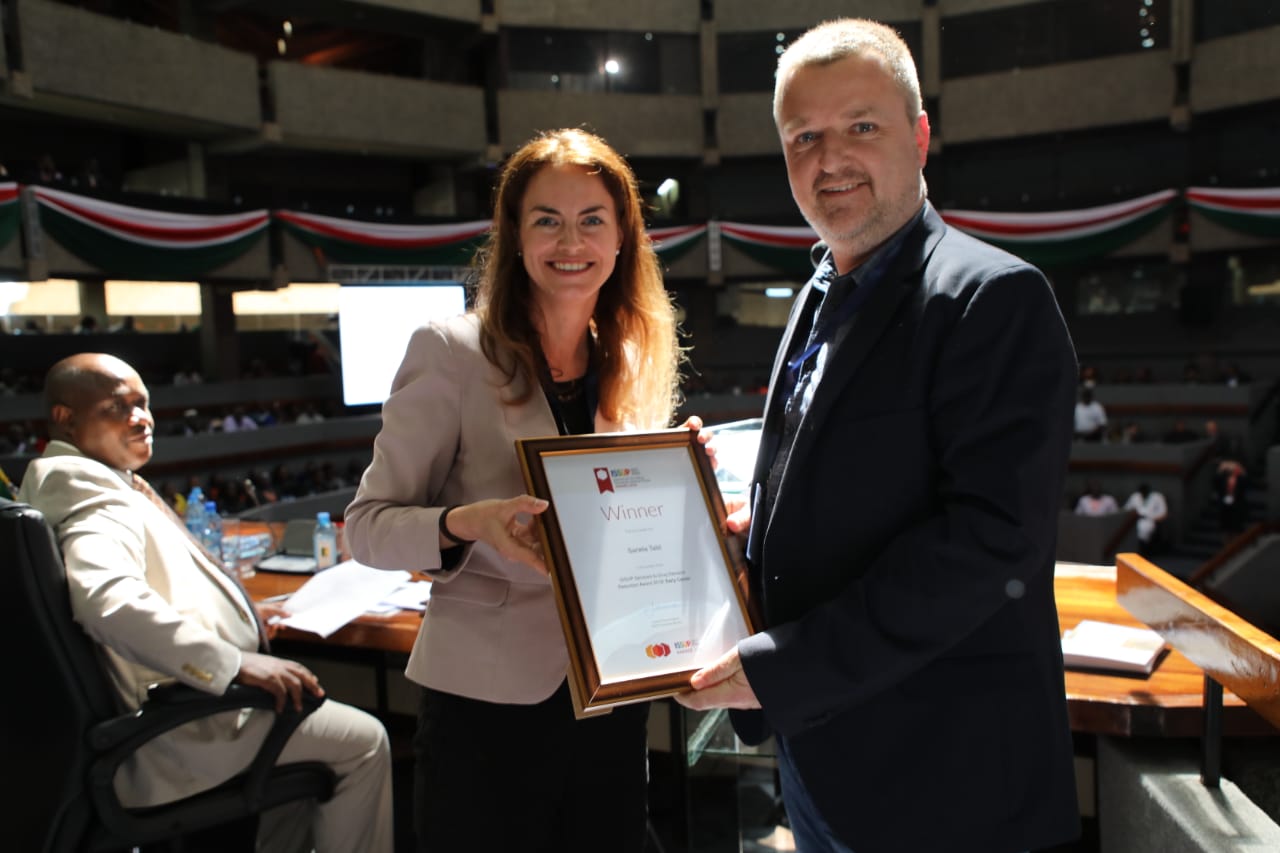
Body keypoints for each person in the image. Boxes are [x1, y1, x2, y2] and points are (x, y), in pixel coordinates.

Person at [674, 19, 1080, 852]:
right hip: (823, 762)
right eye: (804, 137)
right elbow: (845, 493)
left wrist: (782, 670)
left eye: (861, 126)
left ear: (920, 136)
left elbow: (988, 545)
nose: (830, 160)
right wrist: (750, 536)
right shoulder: (817, 295)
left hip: (948, 786)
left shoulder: (993, 297)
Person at [344, 128, 690, 853]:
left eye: (592, 219)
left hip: (610, 690)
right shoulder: (450, 351)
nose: (572, 241)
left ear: (622, 236)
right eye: (547, 220)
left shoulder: (630, 358)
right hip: (486, 705)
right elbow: (367, 526)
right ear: (516, 236)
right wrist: (468, 522)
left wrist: (685, 486)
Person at [17, 353, 393, 853]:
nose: (142, 418)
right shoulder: (88, 491)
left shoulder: (95, 480)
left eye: (144, 404)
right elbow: (107, 600)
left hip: (179, 711)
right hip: (180, 730)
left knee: (305, 770)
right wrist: (233, 662)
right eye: (119, 407)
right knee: (364, 741)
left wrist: (245, 615)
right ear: (65, 418)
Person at [1124, 482, 1168, 555]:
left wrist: (1154, 519)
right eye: (1142, 492)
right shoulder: (1135, 496)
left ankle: (1143, 551)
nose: (1143, 494)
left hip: (1150, 521)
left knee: (1144, 530)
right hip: (1135, 520)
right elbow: (1126, 509)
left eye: (1145, 492)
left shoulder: (1157, 496)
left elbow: (1164, 513)